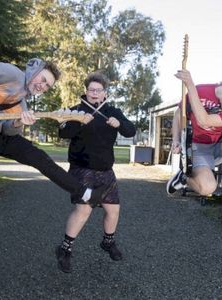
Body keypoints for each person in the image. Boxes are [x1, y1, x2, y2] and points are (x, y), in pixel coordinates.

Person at [0, 58, 110, 207]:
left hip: (0, 137)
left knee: (40, 158)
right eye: (43, 79)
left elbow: (9, 131)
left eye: (47, 86)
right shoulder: (10, 73)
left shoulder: (22, 104)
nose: (43, 86)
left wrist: (18, 122)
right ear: (34, 70)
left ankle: (86, 194)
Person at [55, 72, 136, 273]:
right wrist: (79, 121)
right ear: (86, 91)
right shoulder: (77, 111)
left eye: (98, 90)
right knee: (84, 209)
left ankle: (108, 242)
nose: (94, 93)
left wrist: (120, 124)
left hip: (105, 170)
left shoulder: (113, 111)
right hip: (81, 168)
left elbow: (131, 131)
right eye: (91, 90)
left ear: (104, 93)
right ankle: (65, 249)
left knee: (113, 209)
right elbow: (63, 133)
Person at [167, 69, 222, 200]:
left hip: (220, 146)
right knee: (207, 188)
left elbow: (204, 120)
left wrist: (190, 83)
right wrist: (176, 140)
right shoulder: (201, 91)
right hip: (198, 150)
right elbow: (179, 114)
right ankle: (183, 178)